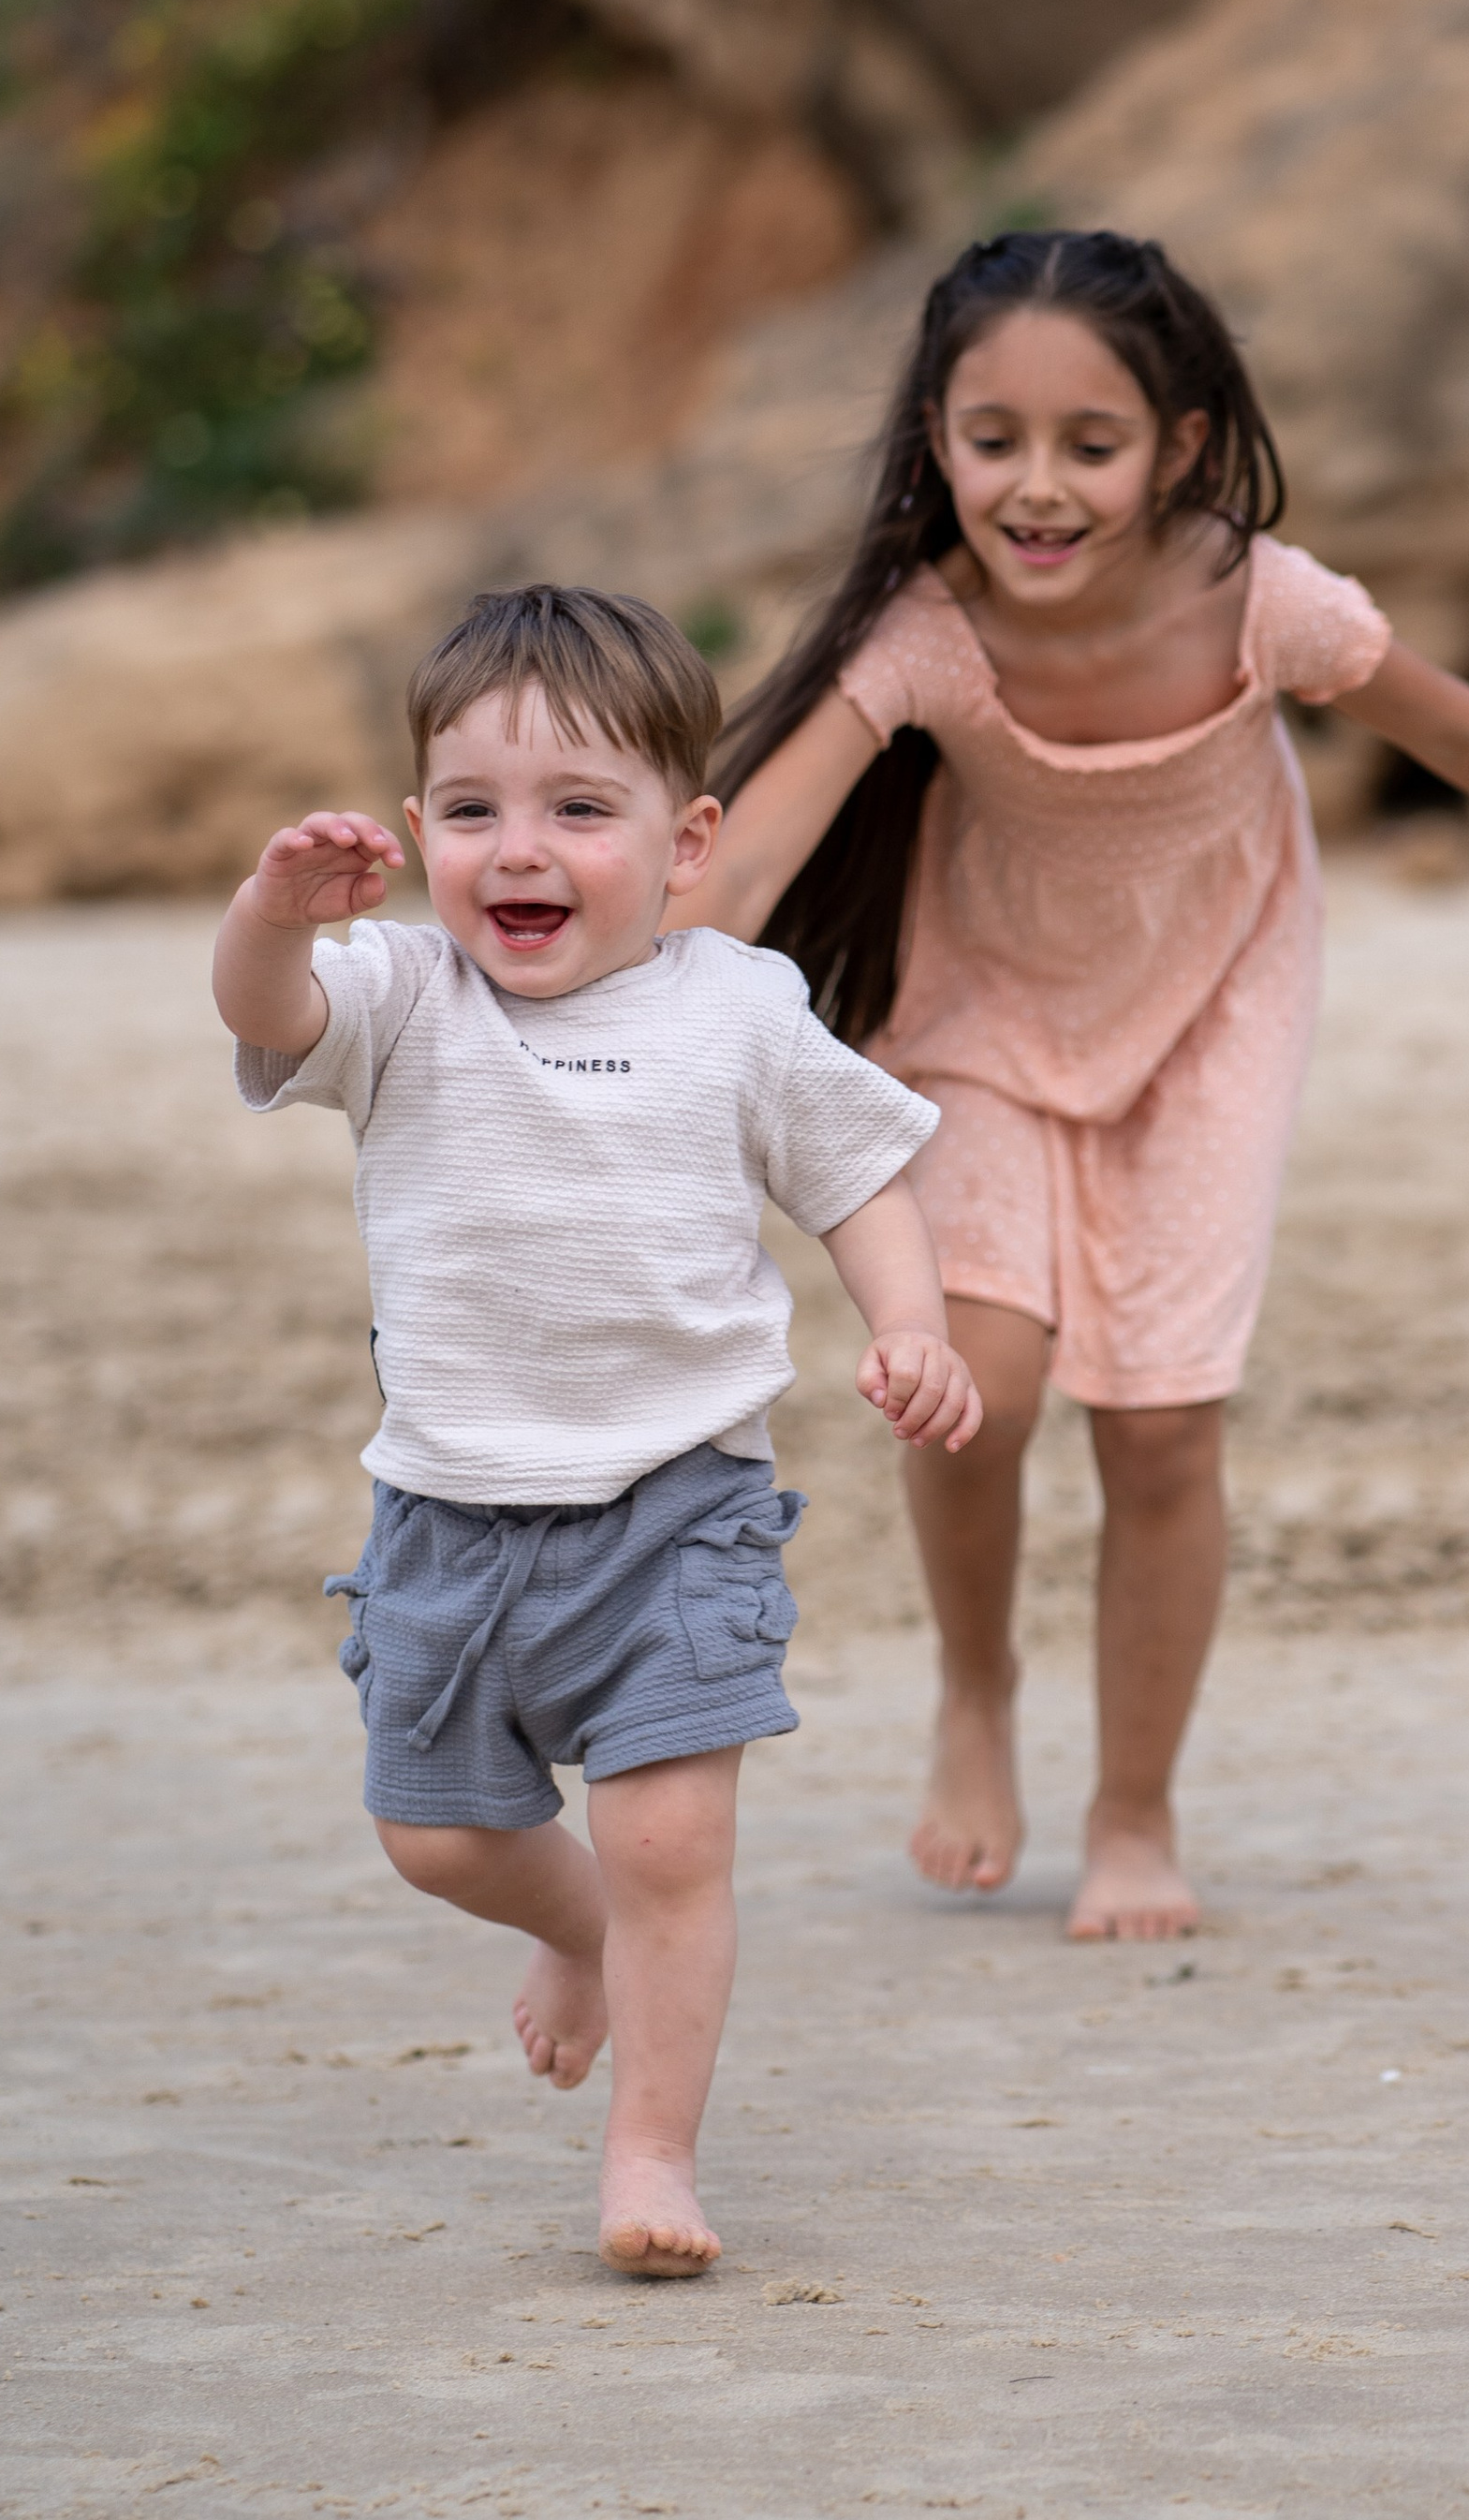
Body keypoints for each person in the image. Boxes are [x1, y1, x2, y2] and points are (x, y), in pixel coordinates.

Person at [704, 228, 1469, 1947]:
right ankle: (977, 1688)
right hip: (981, 1004)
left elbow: (1464, 733)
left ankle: (1135, 1811)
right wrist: (595, 1009)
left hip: (1215, 1010)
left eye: (1091, 445)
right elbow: (747, 866)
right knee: (978, 1381)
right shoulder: (927, 630)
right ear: (936, 436)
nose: (1037, 489)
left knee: (1164, 1421)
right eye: (993, 441)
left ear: (1182, 444)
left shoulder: (1265, 603)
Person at [211, 586, 981, 2278]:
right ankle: (583, 1932)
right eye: (471, 811)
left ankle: (653, 2153)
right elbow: (269, 1017)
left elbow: (859, 1178)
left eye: (578, 809)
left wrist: (911, 1324)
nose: (520, 851)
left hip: (676, 1505)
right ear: (418, 832)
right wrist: (272, 914)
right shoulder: (404, 993)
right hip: (449, 1510)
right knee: (434, 1837)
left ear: (685, 842)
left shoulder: (738, 1009)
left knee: (671, 1841)